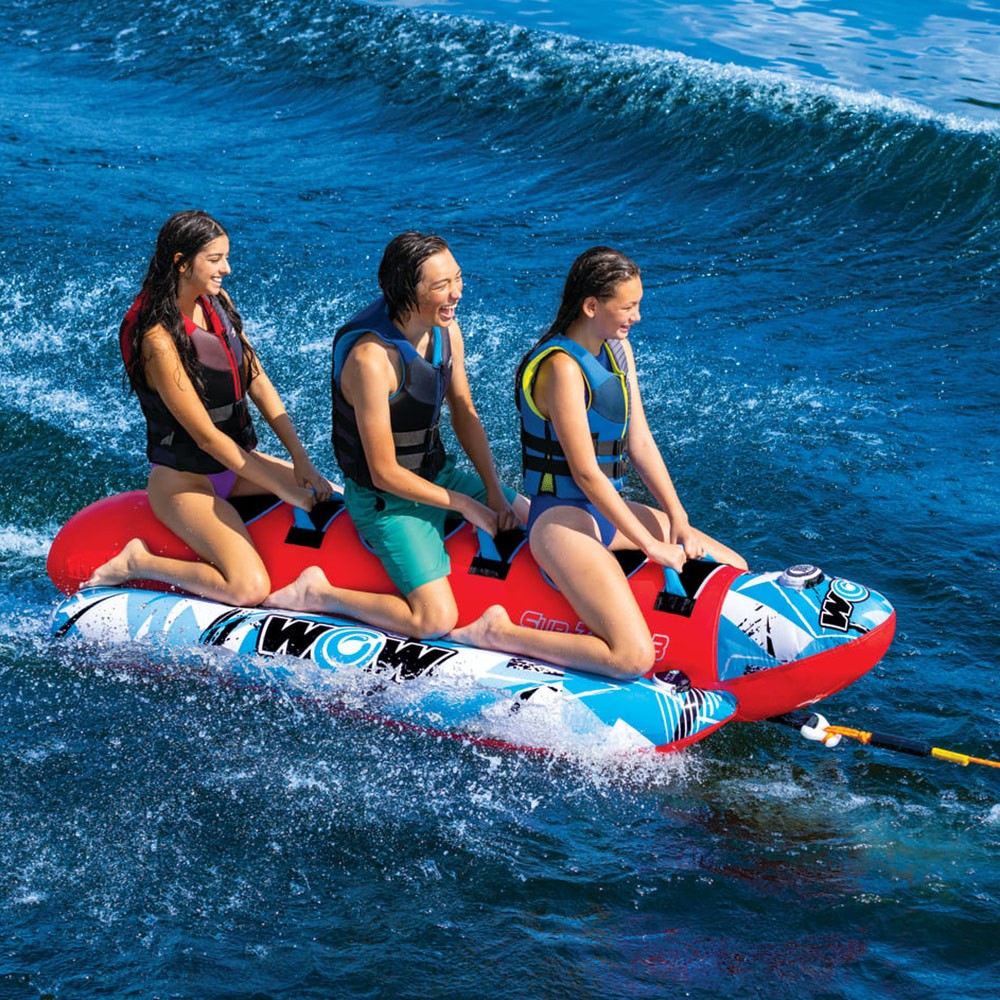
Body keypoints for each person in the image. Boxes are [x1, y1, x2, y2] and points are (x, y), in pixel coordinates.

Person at [452, 246, 747, 680]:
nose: (637, 317)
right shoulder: (561, 368)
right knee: (632, 658)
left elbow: (639, 442)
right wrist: (649, 545)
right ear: (591, 306)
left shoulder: (619, 352)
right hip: (562, 523)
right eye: (628, 307)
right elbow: (587, 474)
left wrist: (678, 520)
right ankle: (498, 631)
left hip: (608, 514)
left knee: (735, 567)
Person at [266, 231, 527, 636]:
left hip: (439, 477)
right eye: (441, 285)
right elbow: (384, 473)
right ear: (407, 290)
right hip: (386, 502)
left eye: (457, 278)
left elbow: (464, 411)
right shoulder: (371, 360)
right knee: (434, 619)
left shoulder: (446, 330)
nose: (456, 292)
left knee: (534, 518)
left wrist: (492, 490)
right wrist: (466, 506)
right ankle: (319, 592)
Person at [85, 210, 332, 605]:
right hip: (185, 482)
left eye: (226, 257)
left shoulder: (216, 302)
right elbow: (205, 437)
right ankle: (138, 562)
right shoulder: (157, 340)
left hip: (235, 468)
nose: (226, 269)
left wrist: (300, 460)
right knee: (248, 588)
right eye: (215, 259)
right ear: (182, 263)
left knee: (329, 494)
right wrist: (282, 489)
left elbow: (255, 376)